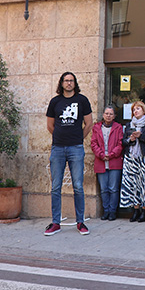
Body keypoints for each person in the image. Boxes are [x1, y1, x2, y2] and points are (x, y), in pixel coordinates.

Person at [44, 72, 93, 237]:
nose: (69, 83)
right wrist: (59, 137)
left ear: (75, 83)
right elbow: (50, 125)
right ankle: (56, 223)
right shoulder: (55, 102)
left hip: (76, 148)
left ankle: (81, 222)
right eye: (66, 81)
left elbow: (89, 123)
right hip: (57, 148)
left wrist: (79, 138)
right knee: (56, 187)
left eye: (71, 81)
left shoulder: (82, 100)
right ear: (62, 83)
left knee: (78, 186)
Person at [91, 105, 124, 221]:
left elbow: (120, 144)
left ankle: (113, 211)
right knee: (104, 188)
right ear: (103, 115)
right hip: (101, 161)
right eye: (106, 113)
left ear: (114, 116)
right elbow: (93, 143)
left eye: (111, 114)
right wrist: (101, 154)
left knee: (113, 188)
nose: (108, 116)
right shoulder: (96, 127)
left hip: (114, 161)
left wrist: (111, 155)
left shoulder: (118, 127)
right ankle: (106, 211)